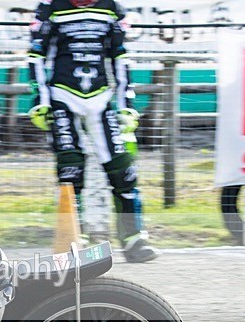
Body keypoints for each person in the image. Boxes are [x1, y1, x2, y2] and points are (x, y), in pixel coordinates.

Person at [28, 0, 158, 263]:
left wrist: (126, 106)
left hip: (101, 98)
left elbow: (120, 57)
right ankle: (75, 241)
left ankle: (134, 238)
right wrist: (40, 101)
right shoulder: (49, 8)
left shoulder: (112, 8)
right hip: (61, 97)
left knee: (123, 168)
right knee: (70, 169)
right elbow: (36, 55)